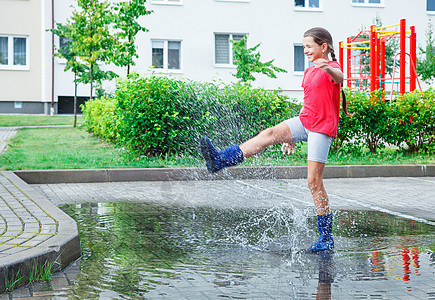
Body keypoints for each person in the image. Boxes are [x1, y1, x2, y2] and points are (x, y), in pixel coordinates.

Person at [200, 27, 352, 252]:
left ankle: (326, 238)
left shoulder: (332, 68)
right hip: (305, 120)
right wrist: (291, 136)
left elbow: (340, 78)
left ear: (324, 47)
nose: (306, 51)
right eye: (303, 47)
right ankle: (220, 161)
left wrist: (327, 68)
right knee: (268, 133)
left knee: (313, 182)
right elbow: (310, 101)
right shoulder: (310, 71)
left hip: (322, 128)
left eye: (309, 46)